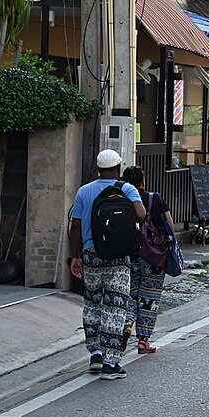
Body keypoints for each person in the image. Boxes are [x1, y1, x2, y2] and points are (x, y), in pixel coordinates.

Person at [69, 149, 146, 380]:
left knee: (93, 303)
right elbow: (141, 215)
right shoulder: (127, 189)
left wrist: (75, 256)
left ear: (98, 168)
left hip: (92, 254)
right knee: (115, 307)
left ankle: (96, 354)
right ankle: (111, 364)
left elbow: (76, 226)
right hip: (118, 257)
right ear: (119, 167)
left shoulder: (84, 191)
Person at [121, 165, 175, 355]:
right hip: (153, 256)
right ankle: (143, 342)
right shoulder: (154, 198)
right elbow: (169, 225)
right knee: (149, 297)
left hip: (128, 254)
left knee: (130, 294)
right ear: (143, 182)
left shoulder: (121, 197)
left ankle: (126, 324)